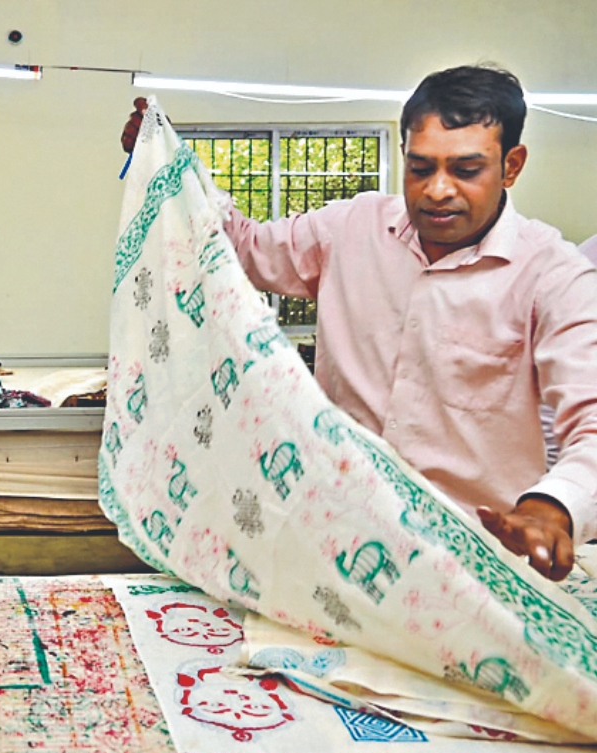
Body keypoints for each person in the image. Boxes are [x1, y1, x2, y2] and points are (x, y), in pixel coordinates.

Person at [121, 65, 597, 582]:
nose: (438, 190)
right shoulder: (351, 229)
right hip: (341, 545)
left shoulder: (554, 275)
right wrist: (169, 163)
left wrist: (553, 506)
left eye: (466, 170)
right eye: (420, 168)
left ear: (511, 166)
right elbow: (245, 248)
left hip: (473, 563)